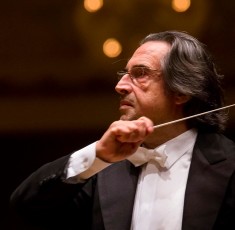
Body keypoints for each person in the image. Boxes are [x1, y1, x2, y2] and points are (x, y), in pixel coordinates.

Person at [10, 31, 235, 230]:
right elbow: (27, 206)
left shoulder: (230, 164)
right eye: (124, 74)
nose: (120, 86)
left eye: (140, 73)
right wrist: (97, 154)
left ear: (181, 92)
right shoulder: (101, 170)